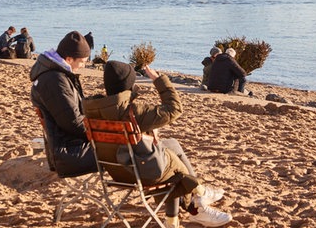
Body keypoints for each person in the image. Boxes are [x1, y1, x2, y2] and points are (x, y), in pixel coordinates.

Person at [83, 60, 232, 228]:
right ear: (129, 84)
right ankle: (198, 204)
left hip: (117, 172)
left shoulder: (91, 110)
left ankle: (184, 211)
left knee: (171, 144)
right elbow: (174, 109)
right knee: (174, 168)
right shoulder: (132, 112)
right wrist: (159, 80)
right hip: (141, 172)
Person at [30, 31, 97, 177]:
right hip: (69, 153)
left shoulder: (55, 74)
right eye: (82, 61)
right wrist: (101, 135)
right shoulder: (55, 81)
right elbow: (73, 122)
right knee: (129, 151)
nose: (83, 66)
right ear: (69, 59)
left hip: (68, 144)